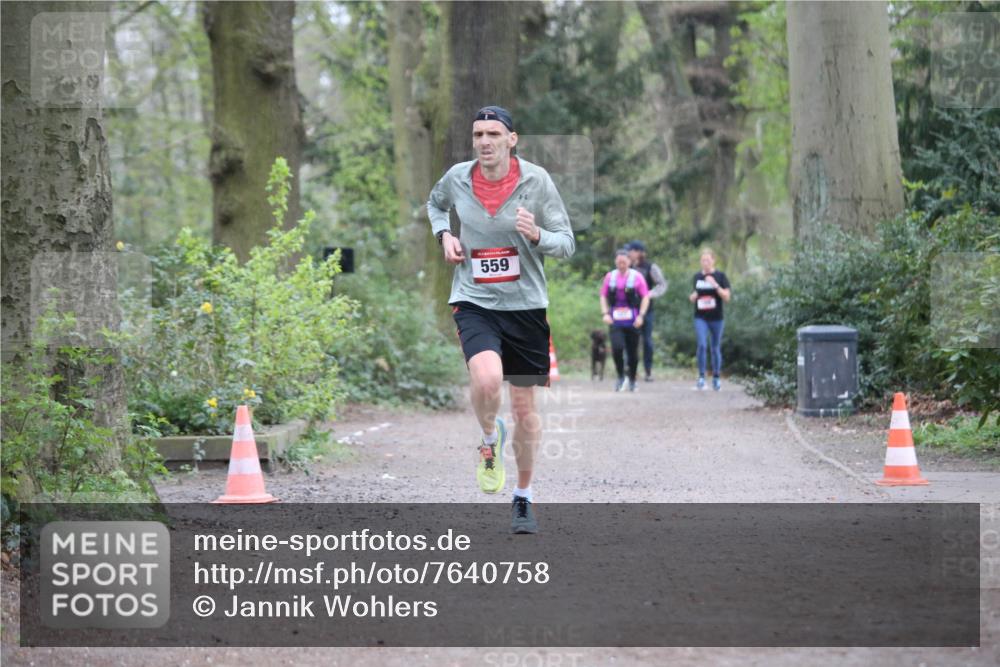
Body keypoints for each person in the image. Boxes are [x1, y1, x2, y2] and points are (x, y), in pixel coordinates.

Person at [426, 105, 575, 534]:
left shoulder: (537, 181)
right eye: (478, 134)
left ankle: (524, 497)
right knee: (487, 380)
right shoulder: (457, 178)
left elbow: (565, 242)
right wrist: (445, 234)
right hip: (474, 300)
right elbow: (435, 205)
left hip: (526, 305)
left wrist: (537, 235)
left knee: (525, 407)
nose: (485, 142)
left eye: (493, 134)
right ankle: (490, 440)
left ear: (512, 140)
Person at [600, 249, 651, 392]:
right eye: (619, 262)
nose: (621, 264)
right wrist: (605, 313)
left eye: (624, 261)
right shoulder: (610, 277)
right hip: (615, 320)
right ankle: (621, 376)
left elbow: (645, 297)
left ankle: (633, 379)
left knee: (633, 352)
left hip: (633, 320)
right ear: (616, 262)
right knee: (617, 348)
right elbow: (603, 296)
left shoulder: (637, 277)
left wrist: (641, 315)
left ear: (629, 261)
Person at [688, 248, 731, 391]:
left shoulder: (720, 276)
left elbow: (726, 297)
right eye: (702, 260)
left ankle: (716, 377)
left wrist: (715, 284)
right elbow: (696, 293)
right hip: (701, 317)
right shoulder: (696, 277)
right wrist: (693, 297)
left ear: (713, 260)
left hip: (716, 318)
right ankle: (701, 377)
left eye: (707, 260)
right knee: (701, 345)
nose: (705, 263)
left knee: (715, 347)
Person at [626, 241, 668, 381]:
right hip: (630, 311)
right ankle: (631, 371)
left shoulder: (650, 267)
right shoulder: (627, 267)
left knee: (647, 341)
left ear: (638, 252)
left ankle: (648, 371)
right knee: (631, 341)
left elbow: (662, 284)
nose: (629, 253)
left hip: (647, 311)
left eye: (631, 250)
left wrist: (649, 294)